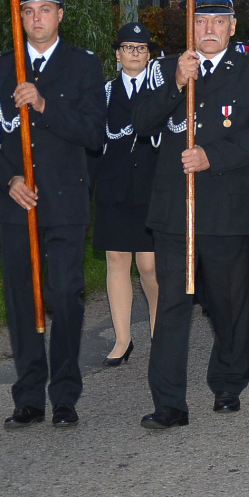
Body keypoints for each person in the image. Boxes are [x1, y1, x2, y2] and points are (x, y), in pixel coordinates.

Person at [131, 0, 249, 429]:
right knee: (172, 306)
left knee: (228, 305)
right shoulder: (164, 69)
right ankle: (169, 403)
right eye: (200, 21)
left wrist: (213, 157)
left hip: (226, 211)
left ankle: (229, 382)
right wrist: (177, 83)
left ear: (234, 27)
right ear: (190, 26)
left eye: (218, 21)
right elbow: (139, 122)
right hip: (177, 212)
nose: (209, 29)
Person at [0, 0, 106, 429]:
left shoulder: (83, 66)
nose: (36, 18)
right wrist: (8, 180)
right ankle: (28, 396)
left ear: (60, 14)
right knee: (21, 300)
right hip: (17, 204)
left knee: (65, 296)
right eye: (27, 11)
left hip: (65, 202)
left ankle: (65, 394)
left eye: (45, 10)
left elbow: (93, 134)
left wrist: (44, 105)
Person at [91, 22, 161, 366]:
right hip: (114, 189)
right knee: (117, 261)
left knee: (149, 266)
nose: (135, 54)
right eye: (128, 48)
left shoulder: (161, 89)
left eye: (142, 48)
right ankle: (122, 340)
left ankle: (158, 332)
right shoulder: (104, 93)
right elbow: (94, 142)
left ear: (150, 55)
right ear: (117, 54)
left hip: (151, 188)